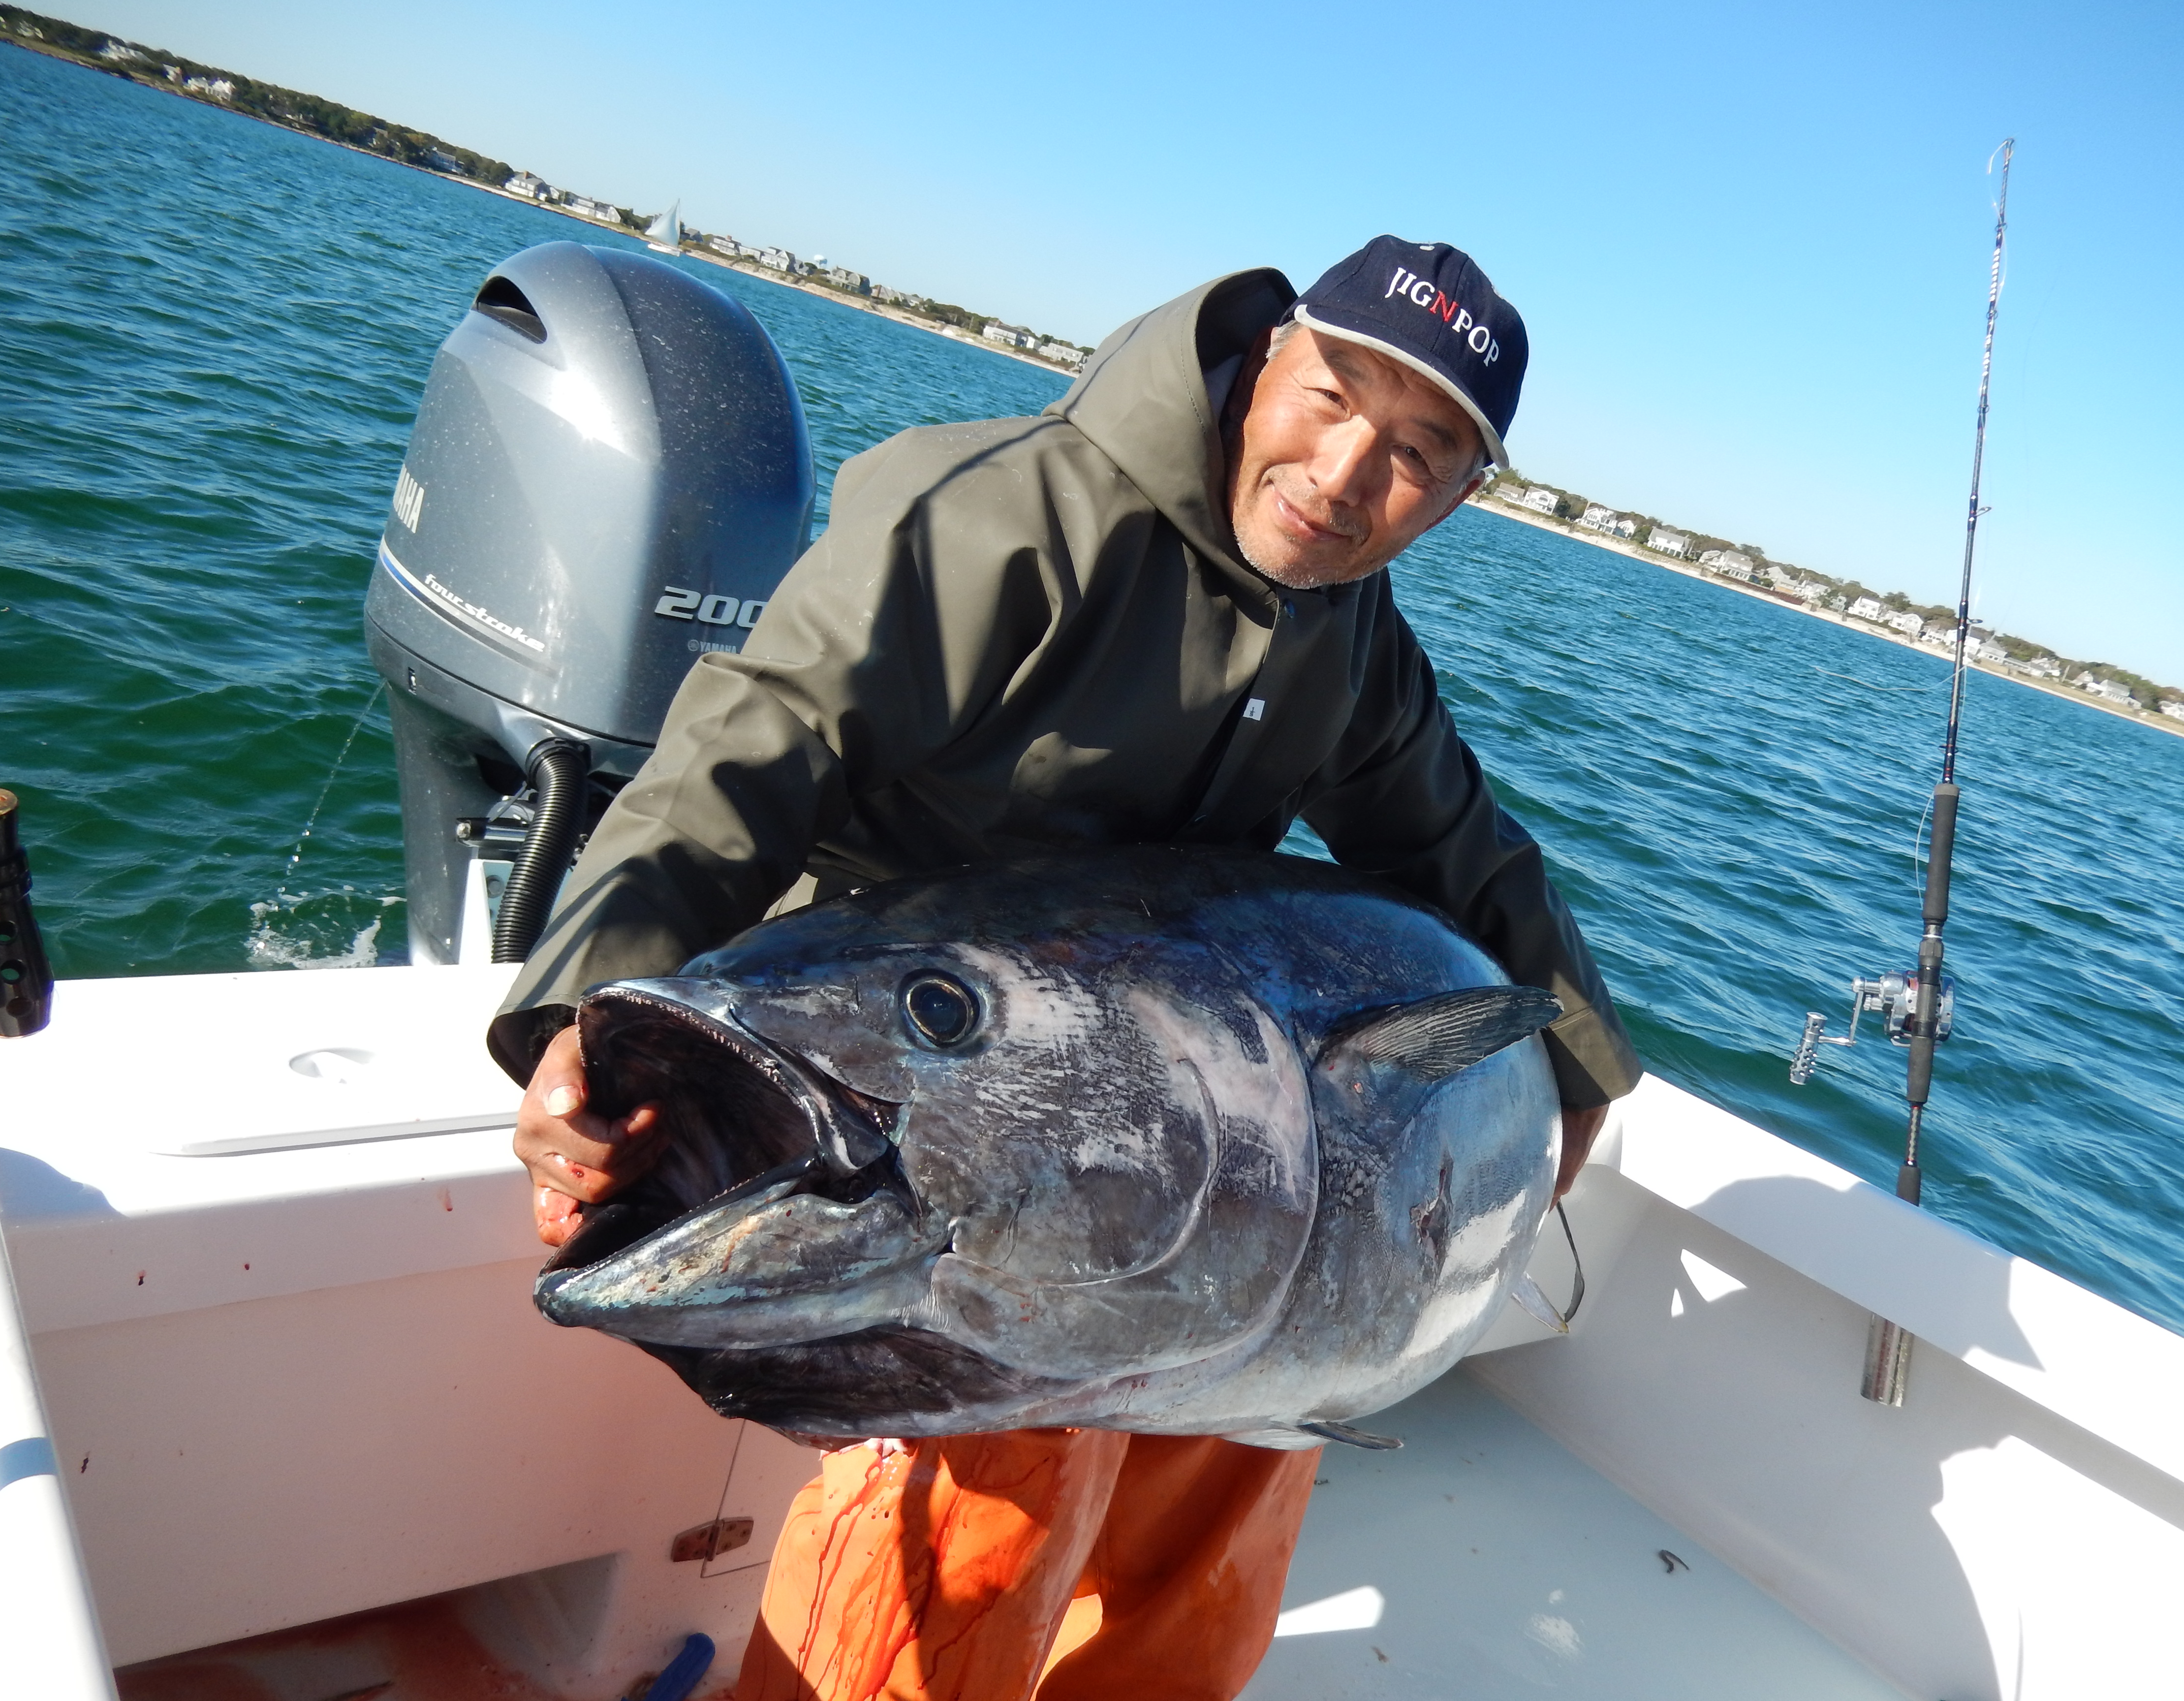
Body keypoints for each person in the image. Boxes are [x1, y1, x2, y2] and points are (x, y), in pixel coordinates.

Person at [491, 235, 1639, 1701]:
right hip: (916, 1110)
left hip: (1163, 1118)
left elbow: (1459, 849)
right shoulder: (1001, 517)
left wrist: (1581, 1074)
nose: (1348, 474)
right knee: (984, 1530)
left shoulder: (1350, 637)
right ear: (1269, 354)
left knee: (1244, 1454)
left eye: (1419, 455)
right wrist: (583, 1009)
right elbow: (752, 740)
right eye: (1334, 396)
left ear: (1464, 497)